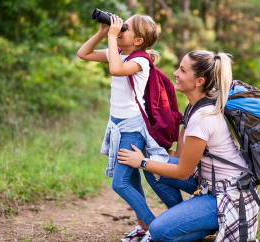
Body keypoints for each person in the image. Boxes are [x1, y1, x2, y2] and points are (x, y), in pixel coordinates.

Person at [117, 50, 260, 242]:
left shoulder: (203, 118)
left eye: (182, 70)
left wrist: (142, 162)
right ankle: (187, 221)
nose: (175, 73)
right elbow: (179, 156)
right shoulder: (194, 107)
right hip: (209, 184)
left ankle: (191, 223)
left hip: (228, 195)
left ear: (199, 81)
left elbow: (183, 172)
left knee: (159, 232)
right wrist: (155, 151)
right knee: (157, 166)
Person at [77, 14, 169, 242]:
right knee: (133, 180)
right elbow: (83, 54)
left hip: (133, 128)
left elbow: (116, 70)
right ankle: (142, 227)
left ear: (138, 41)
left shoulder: (141, 61)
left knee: (120, 183)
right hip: (117, 126)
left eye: (123, 29)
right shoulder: (119, 53)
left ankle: (153, 228)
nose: (118, 30)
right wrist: (101, 33)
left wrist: (111, 36)